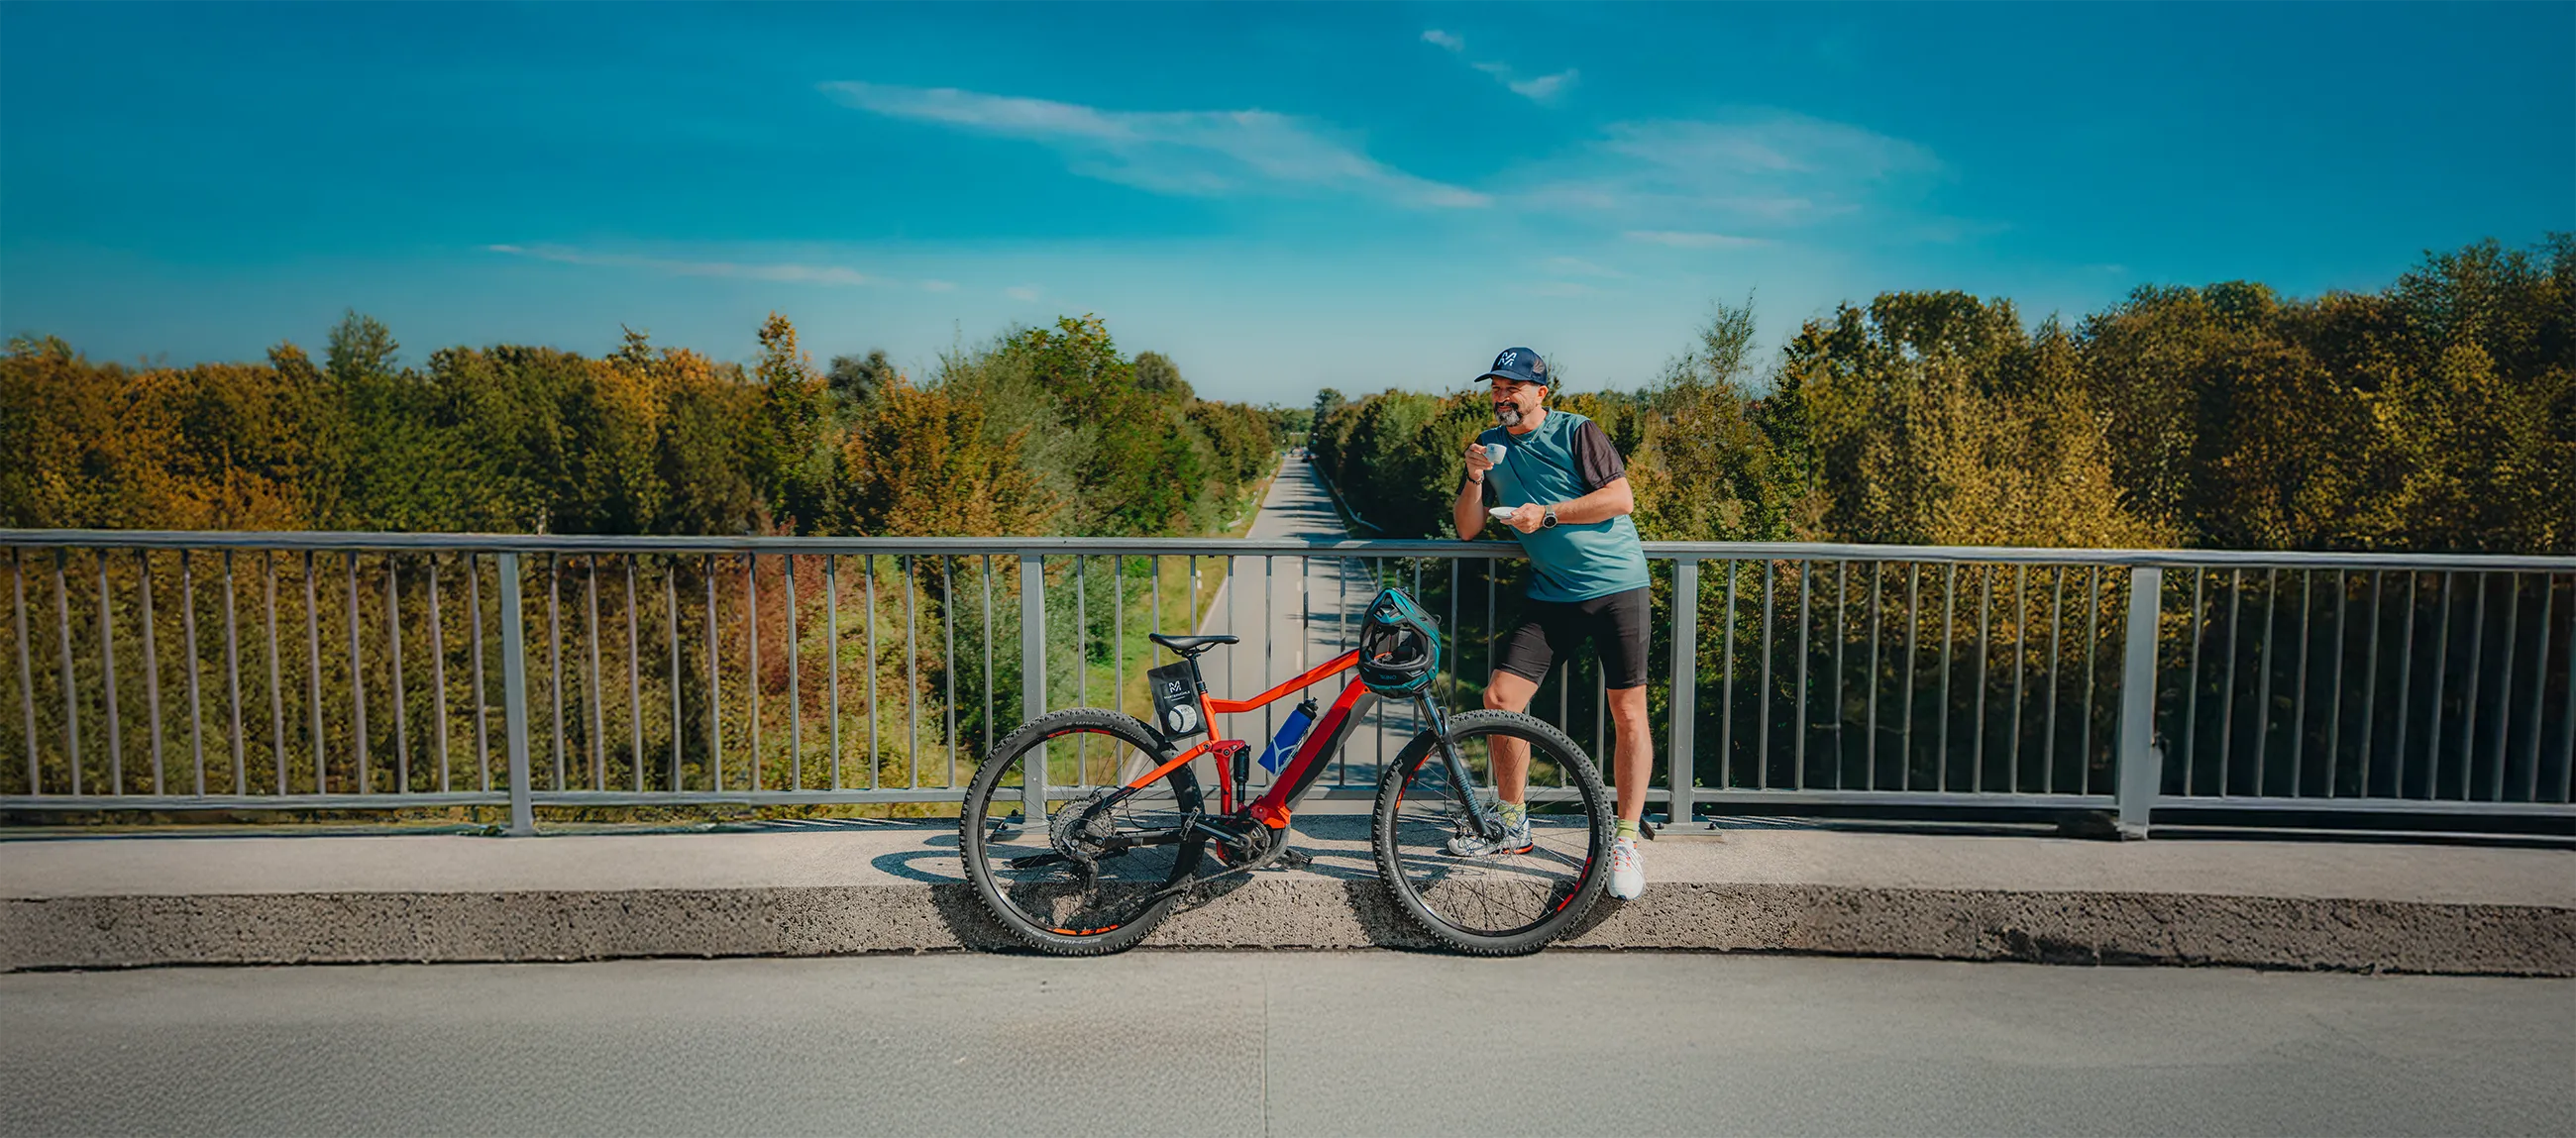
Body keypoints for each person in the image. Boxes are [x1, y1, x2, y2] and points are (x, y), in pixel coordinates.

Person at [1450, 346, 1652, 900]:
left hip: (1618, 587)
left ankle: (1626, 839)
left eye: (1512, 387)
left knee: (1627, 712)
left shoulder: (1577, 432)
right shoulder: (1488, 447)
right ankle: (1512, 825)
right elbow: (1467, 530)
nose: (1501, 397)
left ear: (1541, 392)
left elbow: (1620, 498)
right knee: (1500, 698)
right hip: (1552, 594)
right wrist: (1472, 478)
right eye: (1495, 388)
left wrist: (1549, 514)